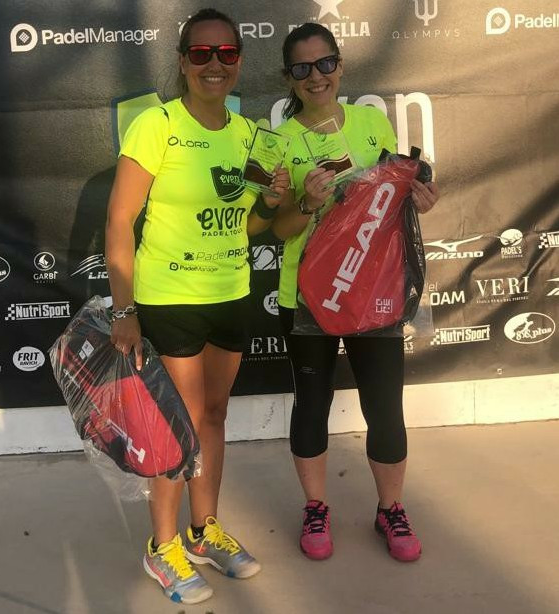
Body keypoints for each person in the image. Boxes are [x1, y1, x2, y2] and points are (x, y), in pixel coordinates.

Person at [105, 9, 288, 604]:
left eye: (226, 54)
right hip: (170, 298)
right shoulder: (156, 126)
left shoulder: (250, 135)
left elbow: (250, 225)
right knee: (178, 425)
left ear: (239, 61)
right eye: (202, 53)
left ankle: (203, 531)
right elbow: (119, 221)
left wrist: (273, 202)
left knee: (213, 414)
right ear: (183, 61)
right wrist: (124, 311)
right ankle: (162, 547)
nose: (214, 64)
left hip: (230, 292)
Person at [272, 23, 439, 563]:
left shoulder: (371, 122)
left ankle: (390, 509)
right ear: (289, 78)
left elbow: (392, 201)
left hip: (375, 289)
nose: (316, 76)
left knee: (384, 407)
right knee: (311, 406)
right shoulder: (278, 140)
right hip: (309, 296)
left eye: (325, 63)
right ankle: (315, 508)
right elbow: (277, 230)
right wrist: (307, 204)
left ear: (340, 66)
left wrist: (419, 196)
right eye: (302, 68)